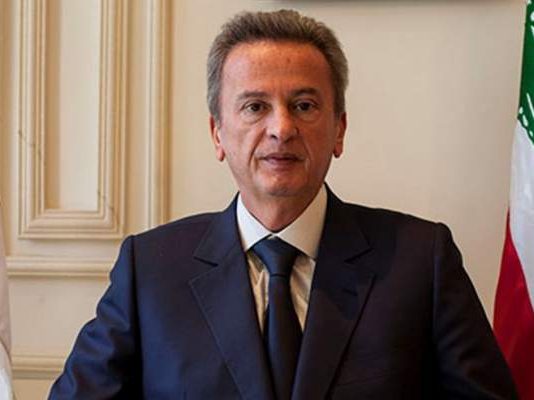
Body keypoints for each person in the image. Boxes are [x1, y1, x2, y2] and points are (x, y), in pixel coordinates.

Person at [49, 9, 517, 400]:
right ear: (217, 134)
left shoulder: (420, 261)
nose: (282, 128)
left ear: (339, 130)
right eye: (255, 107)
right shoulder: (150, 269)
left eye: (304, 105)